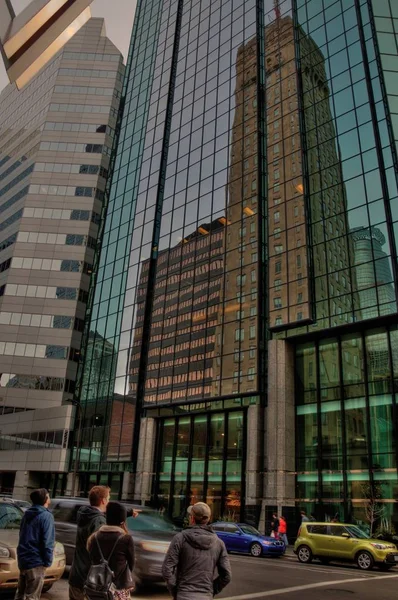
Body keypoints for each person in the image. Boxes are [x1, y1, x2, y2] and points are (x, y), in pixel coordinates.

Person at [162, 502, 231, 600]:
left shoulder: (180, 538)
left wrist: (176, 590)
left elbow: (167, 569)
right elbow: (227, 576)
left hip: (183, 594)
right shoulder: (219, 543)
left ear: (192, 519)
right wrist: (211, 590)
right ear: (208, 519)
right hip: (205, 595)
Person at [69, 485, 110, 600]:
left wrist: (129, 512)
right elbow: (99, 550)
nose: (109, 502)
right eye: (108, 499)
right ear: (103, 500)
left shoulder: (83, 513)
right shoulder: (99, 520)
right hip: (88, 579)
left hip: (75, 575)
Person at [87, 502, 135, 600]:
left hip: (97, 588)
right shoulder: (126, 539)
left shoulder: (94, 538)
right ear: (122, 522)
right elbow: (131, 565)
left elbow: (92, 560)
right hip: (118, 589)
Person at [15, 488, 55, 600]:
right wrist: (47, 561)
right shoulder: (46, 516)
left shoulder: (27, 514)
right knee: (32, 596)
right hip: (36, 561)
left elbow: (21, 535)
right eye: (48, 495)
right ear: (45, 499)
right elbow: (47, 542)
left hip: (23, 559)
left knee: (20, 594)